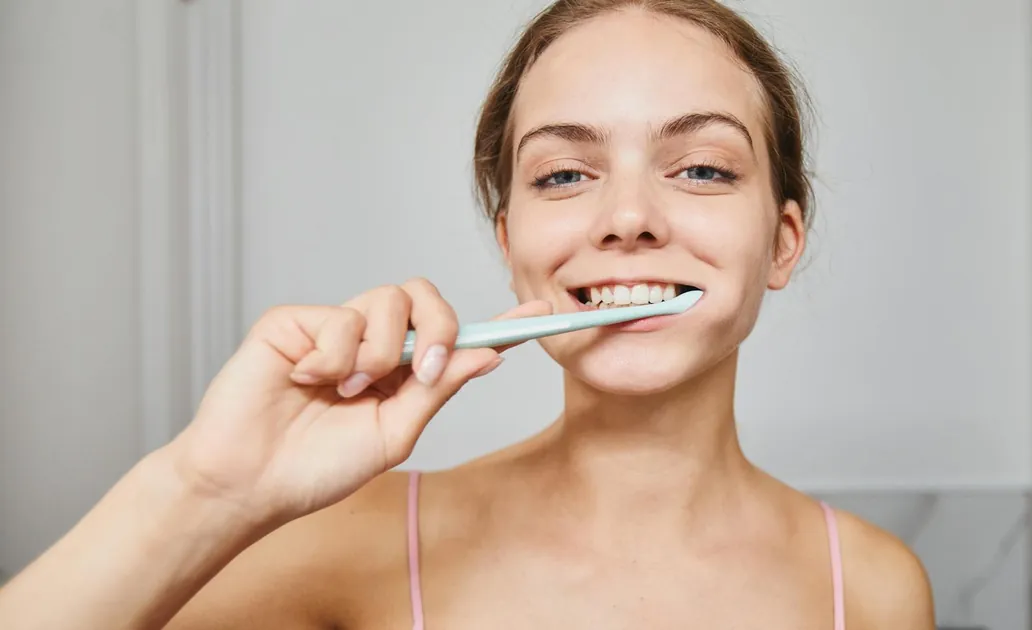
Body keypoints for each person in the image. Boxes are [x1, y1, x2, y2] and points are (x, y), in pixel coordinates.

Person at [0, 1, 936, 628]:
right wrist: (209, 490)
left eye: (701, 168)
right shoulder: (355, 541)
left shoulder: (875, 588)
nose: (627, 219)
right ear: (510, 240)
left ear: (781, 241)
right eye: (565, 174)